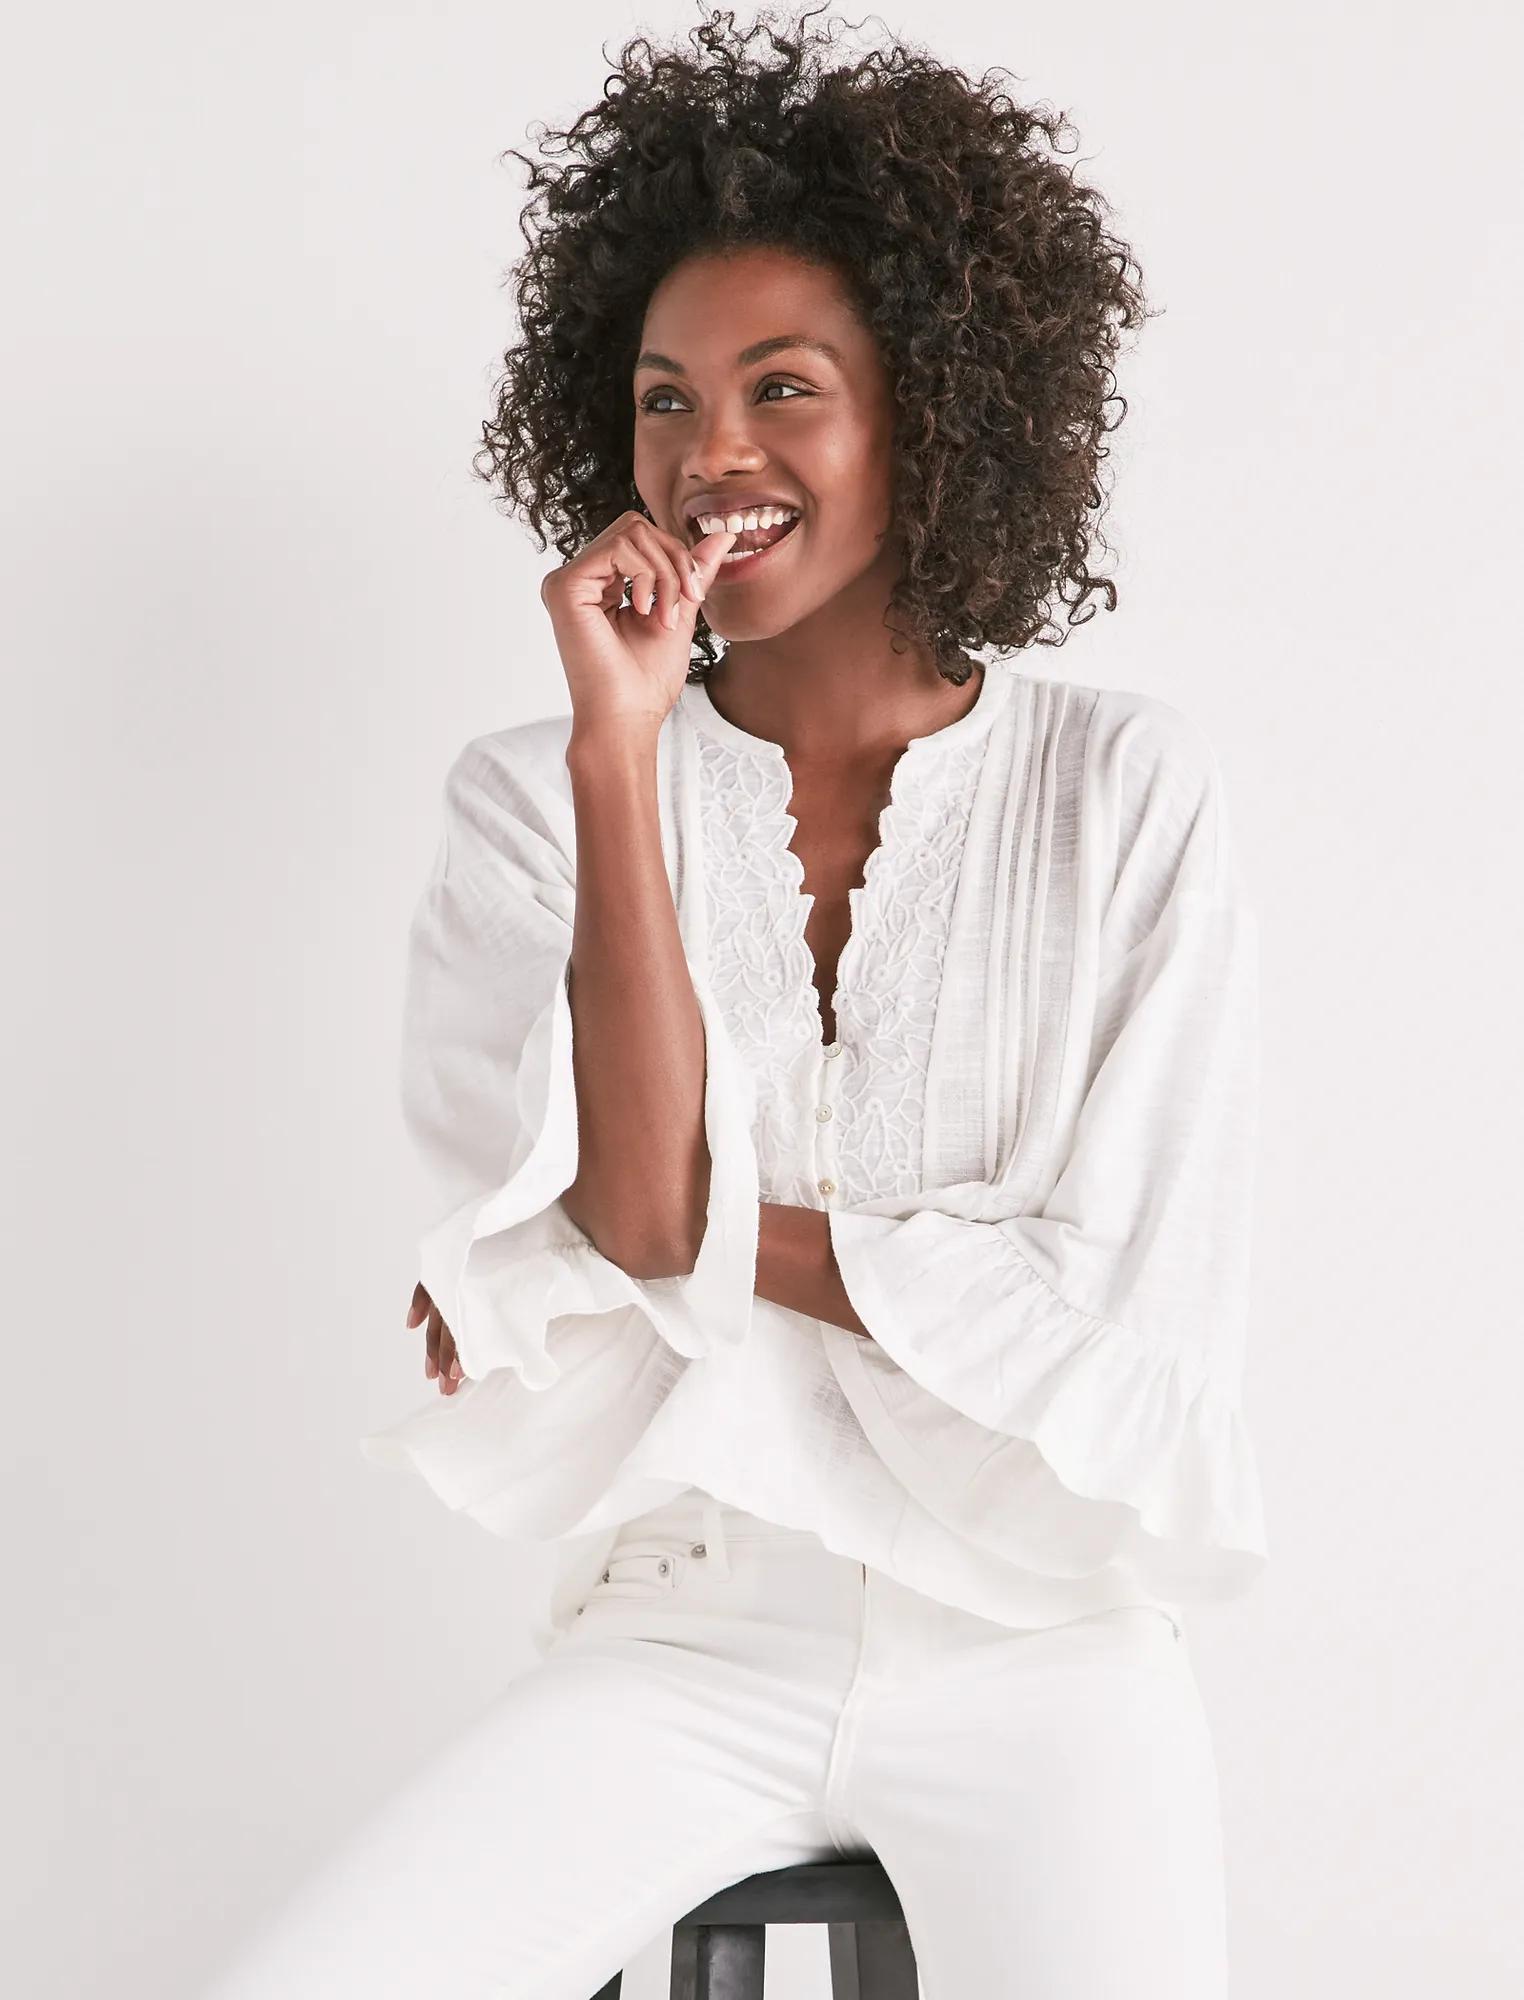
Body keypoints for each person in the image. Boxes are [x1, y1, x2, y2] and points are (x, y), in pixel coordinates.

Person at [204, 10, 1267, 1996]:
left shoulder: (1123, 790)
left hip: (1044, 1653)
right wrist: (619, 752)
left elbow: (1110, 1322)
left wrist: (659, 1245)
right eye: (665, 399)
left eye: (787, 387)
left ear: (931, 407)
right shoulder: (535, 797)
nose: (712, 454)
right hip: (690, 1626)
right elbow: (634, 1210)